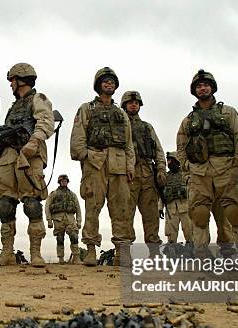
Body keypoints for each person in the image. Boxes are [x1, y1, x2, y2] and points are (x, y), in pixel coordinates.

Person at [176, 69, 238, 261]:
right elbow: (181, 146)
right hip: (199, 172)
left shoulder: (228, 112)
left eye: (206, 85)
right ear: (194, 91)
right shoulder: (188, 120)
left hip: (226, 168)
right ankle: (201, 254)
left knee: (233, 212)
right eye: (199, 86)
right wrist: (187, 168)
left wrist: (237, 163)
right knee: (199, 214)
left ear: (212, 88)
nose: (202, 88)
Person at [0, 63, 55, 267]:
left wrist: (33, 142)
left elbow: (46, 121)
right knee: (4, 205)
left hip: (29, 155)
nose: (10, 84)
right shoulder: (13, 107)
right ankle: (7, 252)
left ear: (21, 79)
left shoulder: (38, 98)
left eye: (12, 80)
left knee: (32, 204)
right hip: (9, 157)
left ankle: (35, 253)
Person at [70, 67, 135, 266]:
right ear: (98, 85)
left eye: (112, 81)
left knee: (121, 209)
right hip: (95, 164)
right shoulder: (87, 108)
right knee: (92, 207)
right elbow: (78, 136)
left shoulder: (121, 114)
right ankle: (90, 250)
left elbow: (129, 143)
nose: (109, 83)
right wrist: (86, 157)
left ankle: (121, 252)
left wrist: (130, 166)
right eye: (105, 81)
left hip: (119, 165)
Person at [121, 91, 166, 254]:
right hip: (127, 174)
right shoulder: (120, 125)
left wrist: (161, 169)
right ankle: (124, 251)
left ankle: (154, 252)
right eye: (130, 102)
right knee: (125, 214)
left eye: (136, 102)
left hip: (147, 172)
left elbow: (159, 150)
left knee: (151, 215)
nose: (133, 105)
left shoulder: (147, 127)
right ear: (124, 105)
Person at [45, 174, 82, 264]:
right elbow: (47, 206)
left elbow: (78, 208)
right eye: (62, 181)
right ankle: (61, 258)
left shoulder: (72, 195)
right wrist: (49, 220)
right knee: (60, 238)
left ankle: (76, 258)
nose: (64, 182)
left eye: (65, 181)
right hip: (58, 219)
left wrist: (79, 221)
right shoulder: (54, 194)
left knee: (74, 236)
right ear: (59, 182)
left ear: (67, 182)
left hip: (70, 218)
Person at [160, 152, 192, 245]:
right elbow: (161, 193)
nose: (169, 163)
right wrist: (160, 208)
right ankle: (172, 255)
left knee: (190, 233)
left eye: (170, 160)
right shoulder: (166, 176)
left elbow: (193, 189)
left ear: (176, 161)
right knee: (171, 236)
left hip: (186, 208)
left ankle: (193, 255)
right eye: (168, 160)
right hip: (170, 209)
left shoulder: (185, 174)